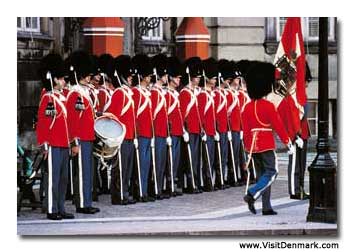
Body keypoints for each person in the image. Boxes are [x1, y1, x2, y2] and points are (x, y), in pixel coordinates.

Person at [66, 50, 115, 214]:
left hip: (89, 137)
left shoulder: (85, 92)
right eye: (86, 75)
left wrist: (103, 115)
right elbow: (73, 120)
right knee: (82, 172)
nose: (89, 78)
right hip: (80, 138)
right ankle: (81, 203)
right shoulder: (75, 94)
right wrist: (74, 142)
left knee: (88, 171)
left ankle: (87, 201)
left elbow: (90, 114)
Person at [242, 61, 294, 215]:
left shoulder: (247, 107)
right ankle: (252, 193)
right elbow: (278, 126)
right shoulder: (268, 106)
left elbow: (245, 131)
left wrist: (247, 151)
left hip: (253, 146)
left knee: (262, 176)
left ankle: (266, 207)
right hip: (265, 143)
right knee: (272, 172)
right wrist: (288, 142)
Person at [36, 53, 74, 220]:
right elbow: (43, 124)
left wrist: (72, 142)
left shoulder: (62, 97)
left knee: (63, 178)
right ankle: (52, 209)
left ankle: (60, 207)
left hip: (64, 143)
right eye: (61, 79)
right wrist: (44, 145)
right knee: (53, 178)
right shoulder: (48, 98)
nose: (64, 81)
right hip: (52, 144)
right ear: (54, 79)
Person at [105, 55, 137, 205]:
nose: (131, 78)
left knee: (127, 167)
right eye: (128, 75)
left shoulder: (127, 93)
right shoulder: (119, 93)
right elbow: (113, 115)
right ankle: (118, 195)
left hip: (130, 135)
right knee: (120, 168)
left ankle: (124, 192)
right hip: (121, 136)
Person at [131, 54, 155, 202]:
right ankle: (139, 192)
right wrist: (135, 134)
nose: (150, 77)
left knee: (146, 165)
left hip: (148, 133)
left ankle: (144, 191)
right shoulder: (136, 92)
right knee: (140, 165)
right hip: (140, 134)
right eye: (148, 75)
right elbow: (134, 115)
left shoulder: (147, 92)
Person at [179, 57, 203, 193]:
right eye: (196, 76)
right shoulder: (185, 93)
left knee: (196, 159)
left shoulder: (196, 92)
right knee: (189, 159)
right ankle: (190, 183)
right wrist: (184, 130)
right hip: (189, 130)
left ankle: (196, 182)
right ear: (191, 77)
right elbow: (182, 114)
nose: (198, 79)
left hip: (197, 129)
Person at [165, 56, 184, 196]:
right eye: (177, 78)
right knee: (169, 160)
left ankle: (173, 183)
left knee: (175, 161)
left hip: (177, 131)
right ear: (171, 78)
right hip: (169, 132)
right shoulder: (165, 94)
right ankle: (168, 185)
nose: (179, 80)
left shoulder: (176, 94)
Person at [151, 54, 169, 199]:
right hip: (156, 133)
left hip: (163, 132)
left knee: (161, 162)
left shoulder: (162, 92)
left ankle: (160, 188)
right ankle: (155, 189)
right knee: (156, 163)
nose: (166, 77)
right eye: (164, 75)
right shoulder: (154, 93)